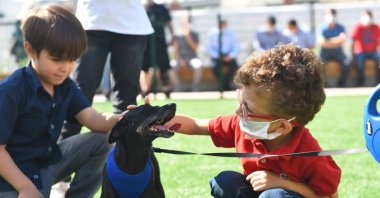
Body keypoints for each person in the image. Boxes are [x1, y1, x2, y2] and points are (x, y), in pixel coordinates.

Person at [159, 44, 341, 197]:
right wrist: (156, 118)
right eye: (241, 101)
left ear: (283, 126)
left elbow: (328, 195)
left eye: (248, 108)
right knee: (226, 182)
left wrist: (281, 183)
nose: (238, 111)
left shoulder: (310, 154)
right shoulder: (241, 125)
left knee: (274, 195)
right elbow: (197, 125)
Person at [0, 5, 126, 197]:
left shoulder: (64, 85)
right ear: (30, 50)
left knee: (103, 141)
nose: (66, 68)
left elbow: (93, 119)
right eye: (57, 59)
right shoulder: (12, 90)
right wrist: (25, 188)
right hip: (11, 177)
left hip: (46, 165)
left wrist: (125, 118)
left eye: (72, 59)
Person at [60, 0, 153, 139]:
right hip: (91, 22)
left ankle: (124, 157)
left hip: (132, 25)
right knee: (80, 94)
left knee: (126, 101)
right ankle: (59, 155)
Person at [141, 0, 175, 98]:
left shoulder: (161, 8)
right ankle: (145, 90)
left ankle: (166, 88)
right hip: (146, 41)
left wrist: (173, 35)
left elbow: (169, 23)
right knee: (145, 67)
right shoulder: (141, 8)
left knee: (164, 65)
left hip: (160, 40)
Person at [318, 8, 349, 87]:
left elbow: (343, 40)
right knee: (318, 64)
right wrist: (337, 40)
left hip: (338, 52)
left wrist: (328, 41)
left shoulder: (341, 27)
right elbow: (322, 42)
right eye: (328, 14)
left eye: (333, 14)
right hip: (325, 52)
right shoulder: (321, 27)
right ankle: (323, 83)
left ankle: (342, 83)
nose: (331, 16)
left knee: (347, 63)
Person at [171, 15, 202, 92]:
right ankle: (177, 87)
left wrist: (188, 36)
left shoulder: (195, 34)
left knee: (198, 65)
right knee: (170, 66)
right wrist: (180, 60)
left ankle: (195, 88)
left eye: (187, 22)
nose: (186, 24)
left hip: (192, 58)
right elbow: (176, 50)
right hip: (180, 59)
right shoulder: (177, 35)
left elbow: (195, 48)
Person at [207, 19, 239, 91]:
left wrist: (230, 56)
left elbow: (235, 47)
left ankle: (225, 85)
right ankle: (224, 86)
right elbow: (210, 48)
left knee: (234, 66)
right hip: (217, 56)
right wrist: (218, 56)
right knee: (215, 67)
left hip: (228, 56)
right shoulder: (212, 33)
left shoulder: (231, 33)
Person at [351, 9, 380, 86]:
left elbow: (378, 40)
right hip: (361, 52)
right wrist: (353, 54)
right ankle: (361, 81)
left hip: (373, 51)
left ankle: (378, 81)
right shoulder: (357, 27)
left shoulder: (376, 27)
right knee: (360, 62)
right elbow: (353, 41)